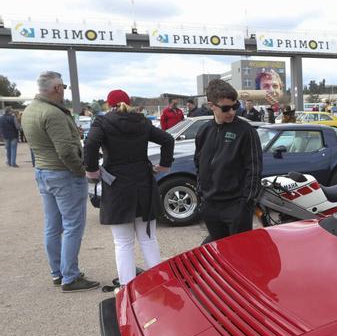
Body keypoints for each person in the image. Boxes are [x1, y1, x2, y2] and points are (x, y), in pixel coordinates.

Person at [83, 90, 174, 288]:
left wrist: (92, 171)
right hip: (143, 183)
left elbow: (90, 144)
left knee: (123, 243)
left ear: (109, 104)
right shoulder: (142, 121)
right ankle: (159, 284)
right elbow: (168, 140)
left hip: (117, 186)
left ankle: (127, 287)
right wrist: (164, 166)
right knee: (148, 239)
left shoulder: (103, 122)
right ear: (128, 102)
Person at [22, 71, 100, 292]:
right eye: (63, 87)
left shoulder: (30, 110)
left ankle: (58, 272)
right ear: (56, 89)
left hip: (44, 171)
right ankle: (70, 277)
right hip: (63, 174)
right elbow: (65, 151)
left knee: (52, 226)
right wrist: (80, 171)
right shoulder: (53, 113)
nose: (64, 90)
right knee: (73, 226)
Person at [194, 79, 263, 241]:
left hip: (236, 207)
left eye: (235, 106)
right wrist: (202, 194)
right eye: (226, 108)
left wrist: (246, 203)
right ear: (211, 105)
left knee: (241, 255)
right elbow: (199, 163)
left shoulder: (246, 131)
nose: (231, 112)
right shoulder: (204, 131)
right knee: (218, 252)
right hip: (210, 206)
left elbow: (254, 168)